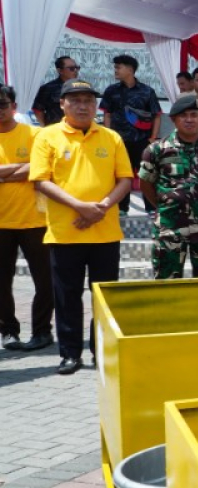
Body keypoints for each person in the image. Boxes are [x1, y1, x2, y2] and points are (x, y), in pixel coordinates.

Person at [29, 78, 133, 374]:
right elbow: (41, 181)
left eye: (88, 100)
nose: (83, 105)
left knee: (103, 297)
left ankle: (101, 350)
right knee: (67, 296)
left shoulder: (111, 137)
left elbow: (124, 179)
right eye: (75, 100)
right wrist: (80, 207)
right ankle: (70, 353)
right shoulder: (47, 136)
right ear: (62, 104)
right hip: (64, 233)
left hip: (106, 231)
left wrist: (100, 207)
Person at [138, 94, 198, 279]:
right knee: (167, 285)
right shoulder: (157, 150)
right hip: (170, 228)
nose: (189, 120)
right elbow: (146, 184)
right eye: (183, 115)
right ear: (173, 120)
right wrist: (166, 205)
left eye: (194, 115)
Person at [0, 84, 54, 352]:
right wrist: (22, 169)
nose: (0, 111)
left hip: (36, 220)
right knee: (1, 282)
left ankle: (43, 331)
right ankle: (8, 330)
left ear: (13, 107)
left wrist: (3, 172)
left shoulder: (35, 134)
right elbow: (30, 168)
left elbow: (42, 168)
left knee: (45, 280)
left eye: (3, 105)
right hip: (1, 224)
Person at [100, 54, 163, 215]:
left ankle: (151, 208)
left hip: (142, 140)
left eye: (118, 67)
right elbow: (107, 114)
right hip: (119, 141)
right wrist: (109, 136)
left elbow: (156, 114)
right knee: (122, 175)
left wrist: (153, 138)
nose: (115, 70)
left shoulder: (147, 91)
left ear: (130, 69)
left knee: (146, 174)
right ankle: (122, 208)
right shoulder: (111, 90)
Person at [31, 56, 80, 126]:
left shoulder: (82, 87)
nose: (75, 71)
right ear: (60, 71)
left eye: (77, 68)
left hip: (77, 129)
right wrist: (44, 127)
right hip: (55, 130)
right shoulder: (48, 88)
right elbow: (38, 110)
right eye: (71, 68)